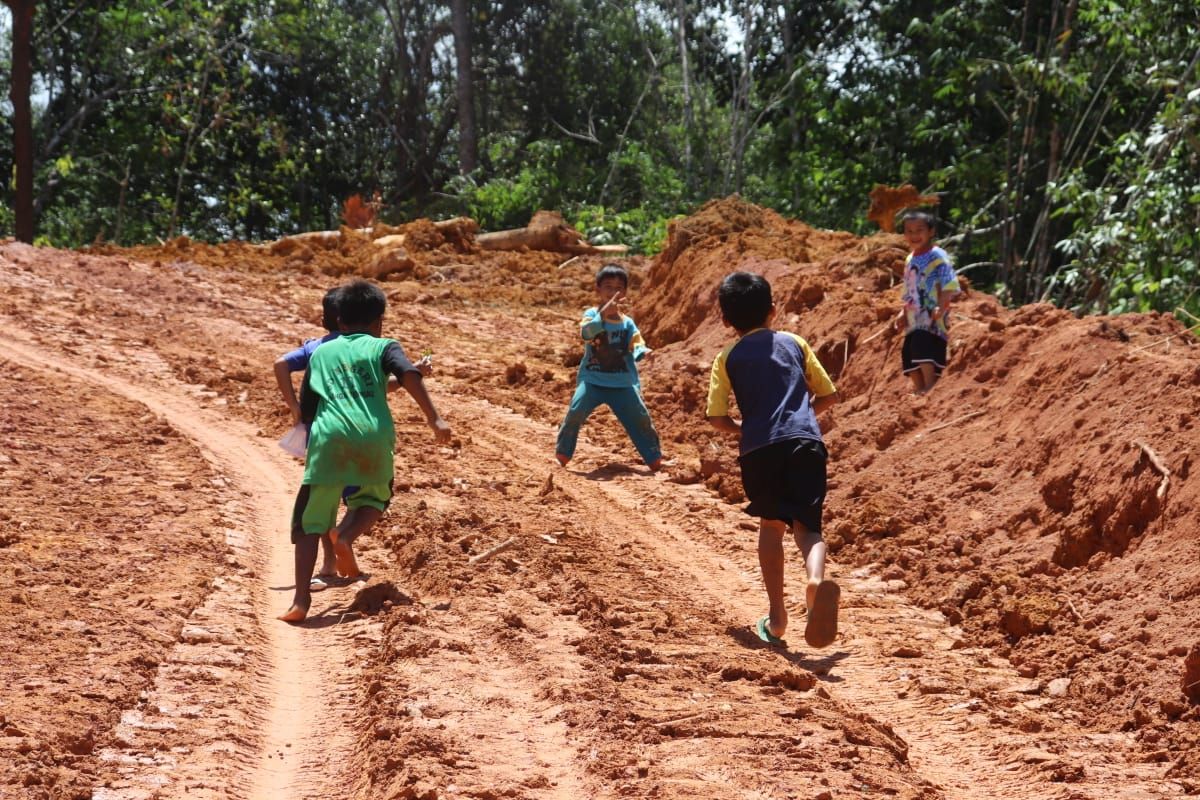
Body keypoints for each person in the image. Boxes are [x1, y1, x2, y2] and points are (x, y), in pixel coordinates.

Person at [278, 280, 451, 623]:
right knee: (372, 500)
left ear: (339, 321)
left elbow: (310, 406)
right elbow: (409, 375)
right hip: (373, 437)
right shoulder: (384, 346)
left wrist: (302, 424)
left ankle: (300, 600)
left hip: (328, 440)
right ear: (379, 321)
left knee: (310, 523)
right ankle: (345, 535)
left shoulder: (320, 352)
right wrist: (435, 418)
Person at [706, 271, 841, 649]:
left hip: (759, 450)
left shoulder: (727, 357)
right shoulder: (795, 343)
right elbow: (828, 394)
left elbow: (716, 419)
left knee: (771, 527)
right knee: (808, 529)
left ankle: (778, 618)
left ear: (725, 320)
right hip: (805, 443)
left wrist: (744, 430)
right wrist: (803, 417)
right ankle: (815, 581)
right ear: (773, 310)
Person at [554, 263, 664, 471]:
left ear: (624, 293)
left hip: (623, 383)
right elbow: (586, 333)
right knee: (575, 412)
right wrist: (603, 316)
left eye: (618, 288)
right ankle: (563, 454)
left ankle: (654, 458)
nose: (613, 292)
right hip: (592, 381)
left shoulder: (628, 323)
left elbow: (637, 342)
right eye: (608, 287)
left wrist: (644, 352)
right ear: (597, 289)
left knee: (640, 418)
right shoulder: (591, 315)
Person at [893, 211, 961, 395]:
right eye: (909, 231)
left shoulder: (937, 255)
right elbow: (908, 288)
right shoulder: (910, 258)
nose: (914, 235)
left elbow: (949, 281)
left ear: (931, 231)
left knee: (924, 345)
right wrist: (902, 313)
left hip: (932, 314)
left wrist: (942, 303)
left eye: (919, 230)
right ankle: (919, 387)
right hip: (913, 316)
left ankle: (930, 385)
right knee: (908, 352)